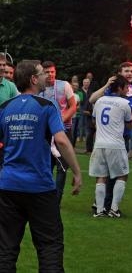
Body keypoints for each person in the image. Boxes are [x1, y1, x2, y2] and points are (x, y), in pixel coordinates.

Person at [0, 60, 82, 272]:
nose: (47, 76)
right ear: (33, 79)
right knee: (49, 246)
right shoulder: (47, 106)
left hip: (8, 186)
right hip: (40, 187)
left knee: (6, 249)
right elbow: (62, 141)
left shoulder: (5, 108)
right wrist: (77, 171)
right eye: (41, 73)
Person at [89, 75, 132, 217]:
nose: (128, 89)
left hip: (99, 143)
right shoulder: (124, 103)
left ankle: (99, 210)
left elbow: (94, 121)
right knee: (122, 175)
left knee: (101, 176)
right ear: (120, 88)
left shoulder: (99, 101)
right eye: (126, 87)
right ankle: (114, 209)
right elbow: (129, 124)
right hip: (116, 144)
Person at [37, 60, 77, 206]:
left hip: (64, 130)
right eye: (47, 72)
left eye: (52, 71)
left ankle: (56, 200)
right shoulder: (38, 88)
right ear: (42, 73)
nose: (50, 74)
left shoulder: (64, 85)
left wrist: (60, 121)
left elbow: (73, 106)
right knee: (46, 166)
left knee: (62, 167)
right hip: (45, 133)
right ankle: (45, 195)